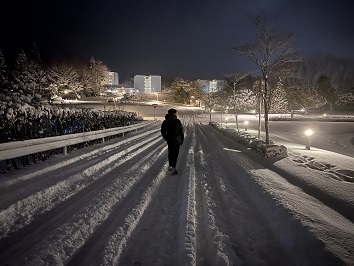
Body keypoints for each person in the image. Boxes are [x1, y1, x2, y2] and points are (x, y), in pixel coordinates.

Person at [161, 108, 184, 175]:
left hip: (170, 140)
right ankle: (174, 166)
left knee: (170, 152)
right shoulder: (177, 121)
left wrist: (167, 138)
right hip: (177, 140)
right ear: (174, 113)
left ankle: (171, 165)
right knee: (175, 153)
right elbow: (181, 131)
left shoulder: (165, 122)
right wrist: (182, 139)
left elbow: (163, 132)